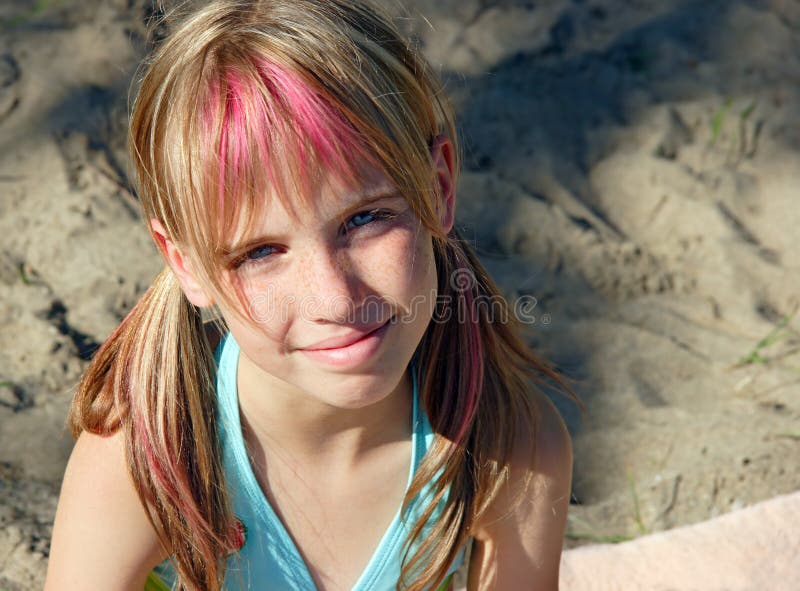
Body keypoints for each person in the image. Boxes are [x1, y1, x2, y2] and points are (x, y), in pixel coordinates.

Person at [43, 1, 574, 589]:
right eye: (261, 252)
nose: (335, 299)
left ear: (439, 187)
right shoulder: (150, 458)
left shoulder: (510, 445)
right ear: (186, 264)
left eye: (366, 218)